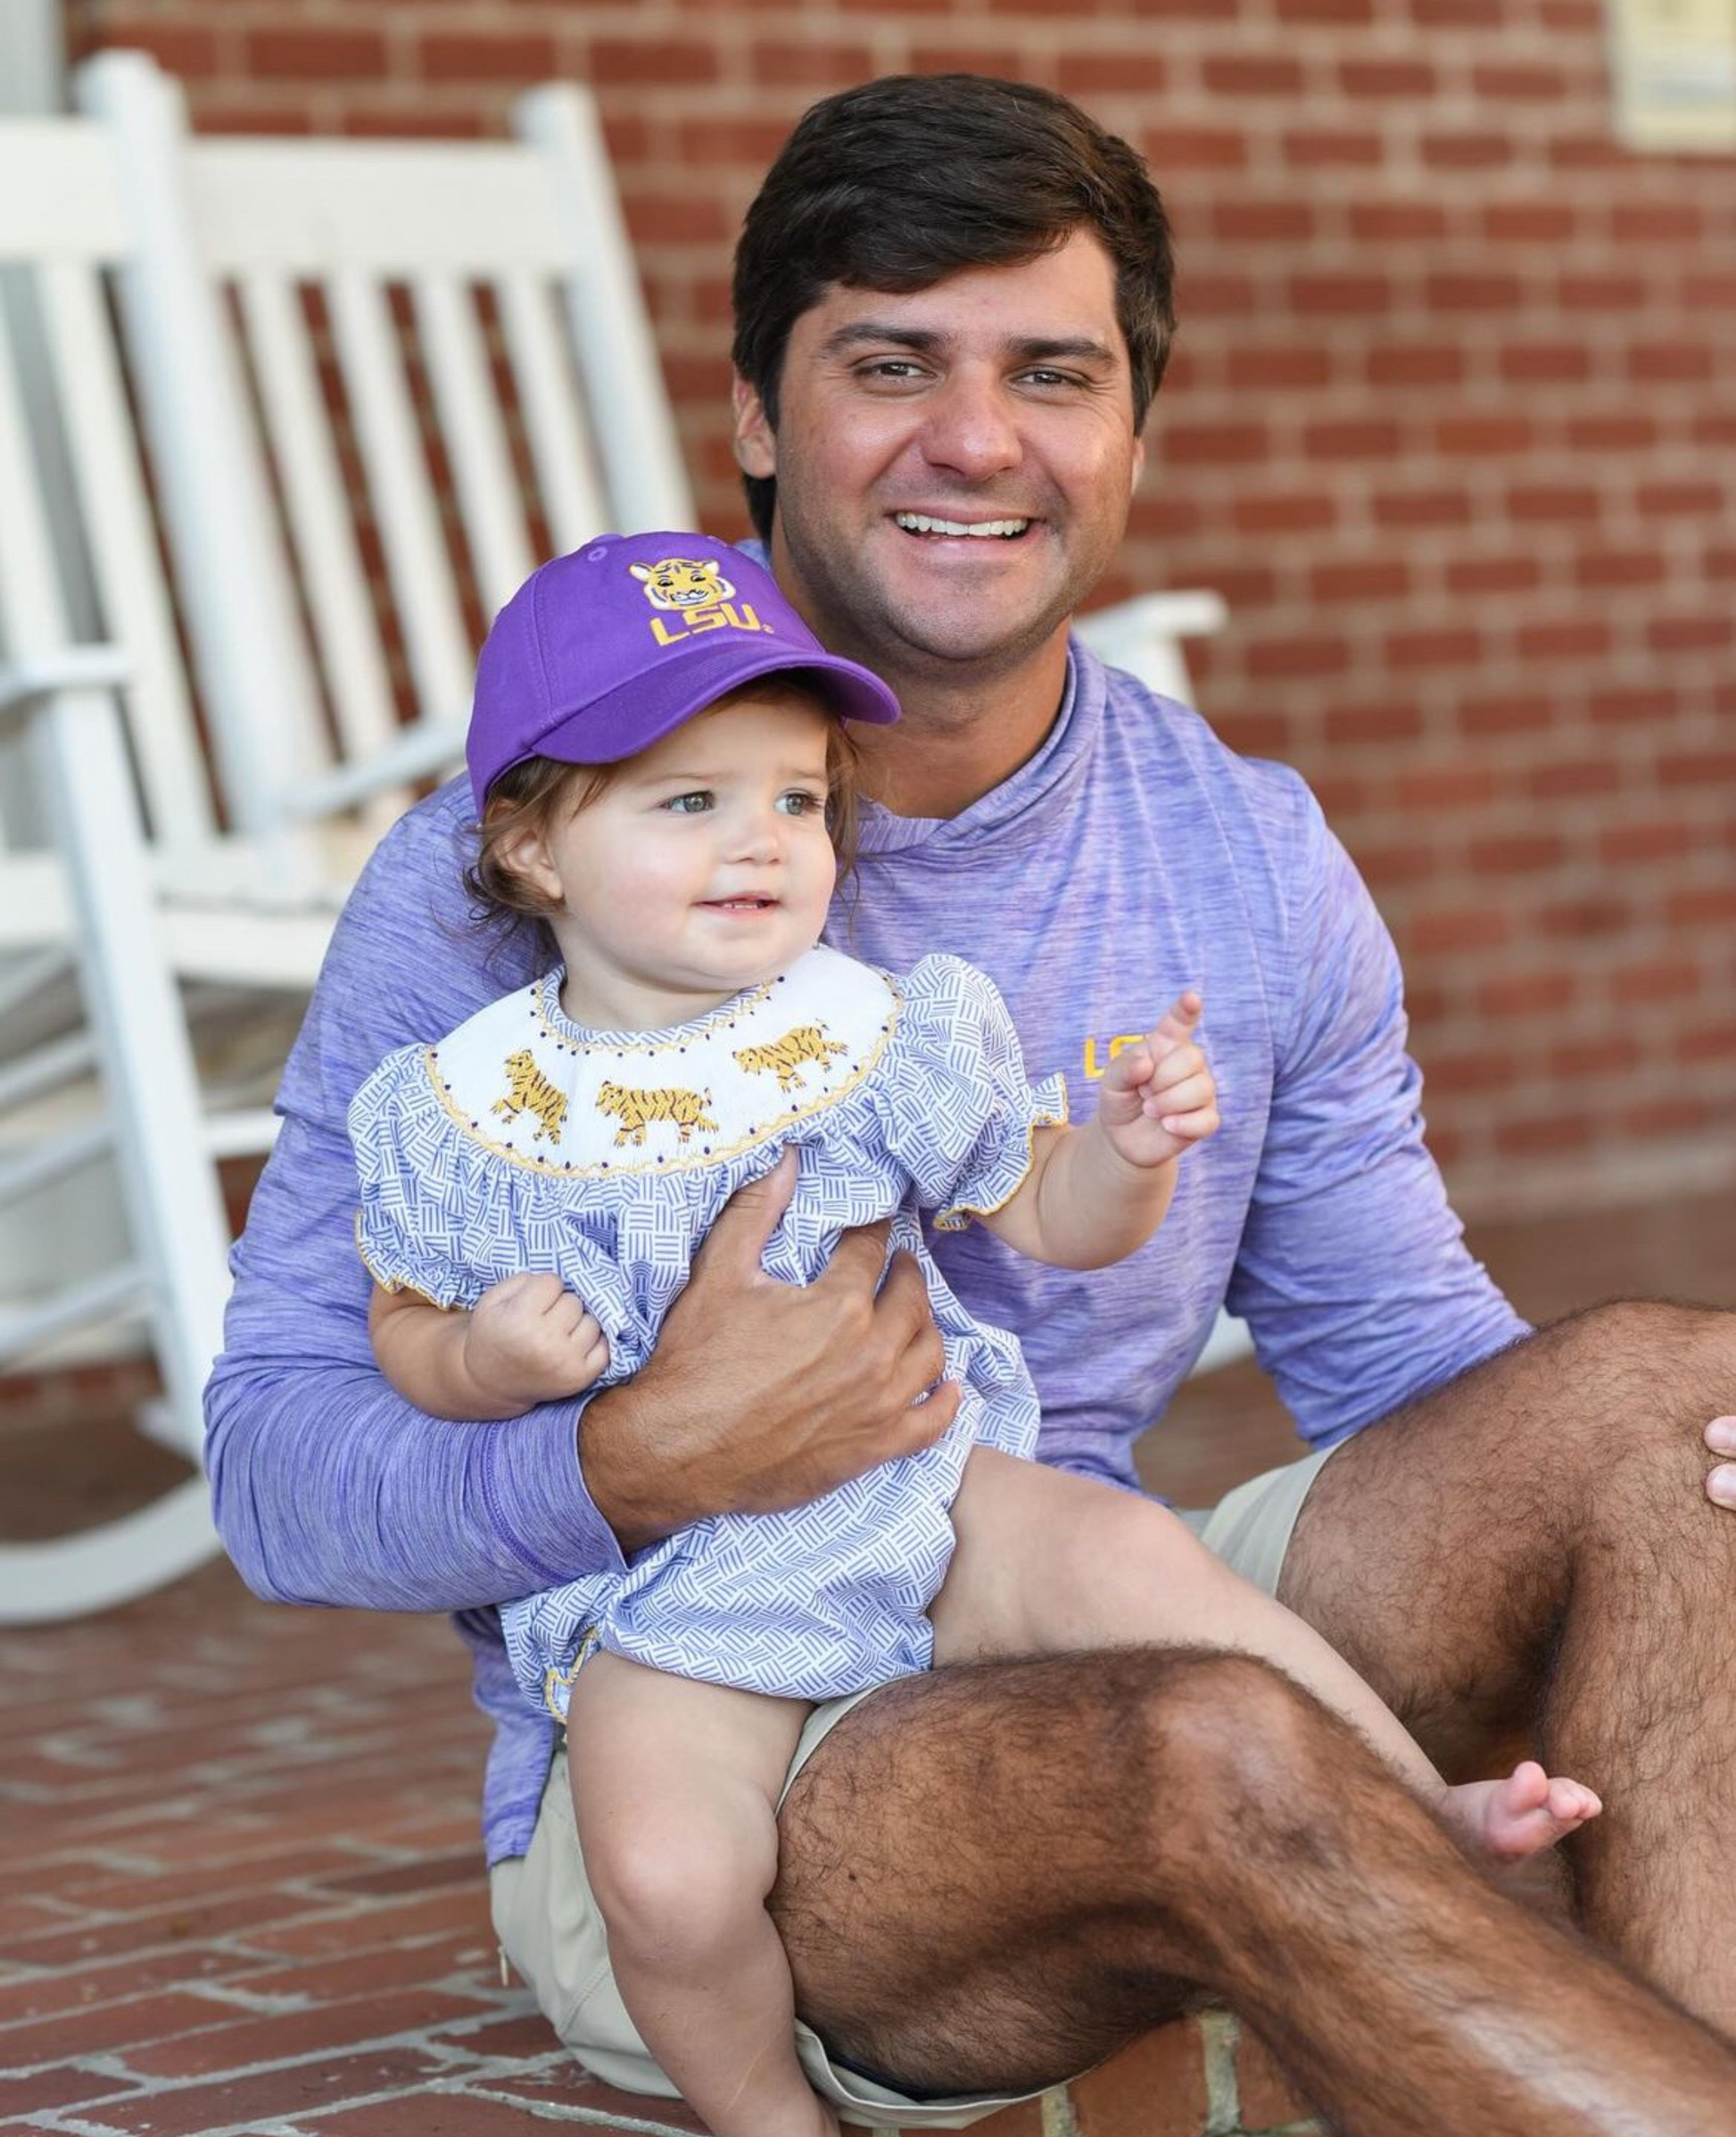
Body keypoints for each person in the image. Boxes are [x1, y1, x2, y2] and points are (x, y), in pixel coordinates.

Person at [206, 71, 1736, 2137]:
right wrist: (639, 1451)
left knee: (1673, 1413)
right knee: (1196, 1738)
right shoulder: (514, 877)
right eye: (889, 362)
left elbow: (1410, 1364)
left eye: (1050, 371)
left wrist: (1659, 1473)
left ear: (1127, 432)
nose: (977, 438)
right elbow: (279, 1462)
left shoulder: (1248, 847)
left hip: (1057, 1562)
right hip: (723, 1742)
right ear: (758, 414)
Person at [347, 533, 1599, 2137]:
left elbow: (1041, 1209)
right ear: (529, 848)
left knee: (1133, 1562)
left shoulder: (868, 1028)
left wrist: (1126, 1155)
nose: (764, 842)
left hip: (932, 1501)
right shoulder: (464, 1109)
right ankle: (767, 2118)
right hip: (672, 1592)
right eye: (689, 802)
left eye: (798, 798)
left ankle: (1422, 1815)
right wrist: (484, 1364)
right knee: (666, 1877)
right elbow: (403, 1322)